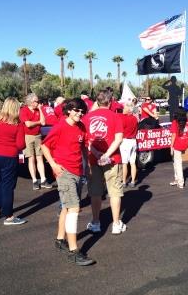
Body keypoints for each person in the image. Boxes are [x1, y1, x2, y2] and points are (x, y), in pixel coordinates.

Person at [41, 98, 95, 266]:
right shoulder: (60, 126)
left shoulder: (81, 127)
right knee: (74, 208)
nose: (80, 113)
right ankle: (74, 251)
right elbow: (44, 146)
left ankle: (59, 240)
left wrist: (88, 167)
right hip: (64, 172)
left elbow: (84, 147)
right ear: (69, 110)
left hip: (78, 171)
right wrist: (54, 164)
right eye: (77, 110)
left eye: (82, 111)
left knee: (66, 207)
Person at [83, 90, 125, 235]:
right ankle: (116, 224)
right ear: (110, 101)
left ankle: (95, 222)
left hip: (93, 159)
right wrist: (106, 155)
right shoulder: (115, 116)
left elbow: (85, 140)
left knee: (95, 192)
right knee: (114, 192)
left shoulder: (87, 118)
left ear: (97, 101)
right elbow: (118, 138)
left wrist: (96, 153)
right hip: (113, 159)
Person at [0, 97, 26, 225]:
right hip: (9, 155)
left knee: (1, 182)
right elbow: (20, 144)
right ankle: (9, 216)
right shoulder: (17, 123)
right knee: (8, 185)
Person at [20, 93, 49, 189]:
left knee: (40, 157)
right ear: (31, 102)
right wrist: (38, 122)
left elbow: (43, 122)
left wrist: (40, 109)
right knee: (31, 158)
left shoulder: (38, 110)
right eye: (36, 101)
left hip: (38, 136)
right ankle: (34, 180)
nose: (38, 102)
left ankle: (43, 179)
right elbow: (28, 124)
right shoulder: (24, 110)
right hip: (28, 136)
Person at [170, 108, 188, 189]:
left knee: (178, 163)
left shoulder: (175, 122)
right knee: (175, 162)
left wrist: (171, 146)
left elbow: (174, 135)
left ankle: (180, 182)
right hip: (185, 143)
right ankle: (177, 179)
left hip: (177, 144)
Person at [120, 102, 138, 188]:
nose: (123, 109)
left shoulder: (123, 118)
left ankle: (124, 181)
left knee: (124, 163)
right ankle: (133, 181)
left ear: (127, 109)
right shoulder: (135, 118)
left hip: (125, 141)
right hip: (133, 141)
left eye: (124, 108)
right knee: (132, 162)